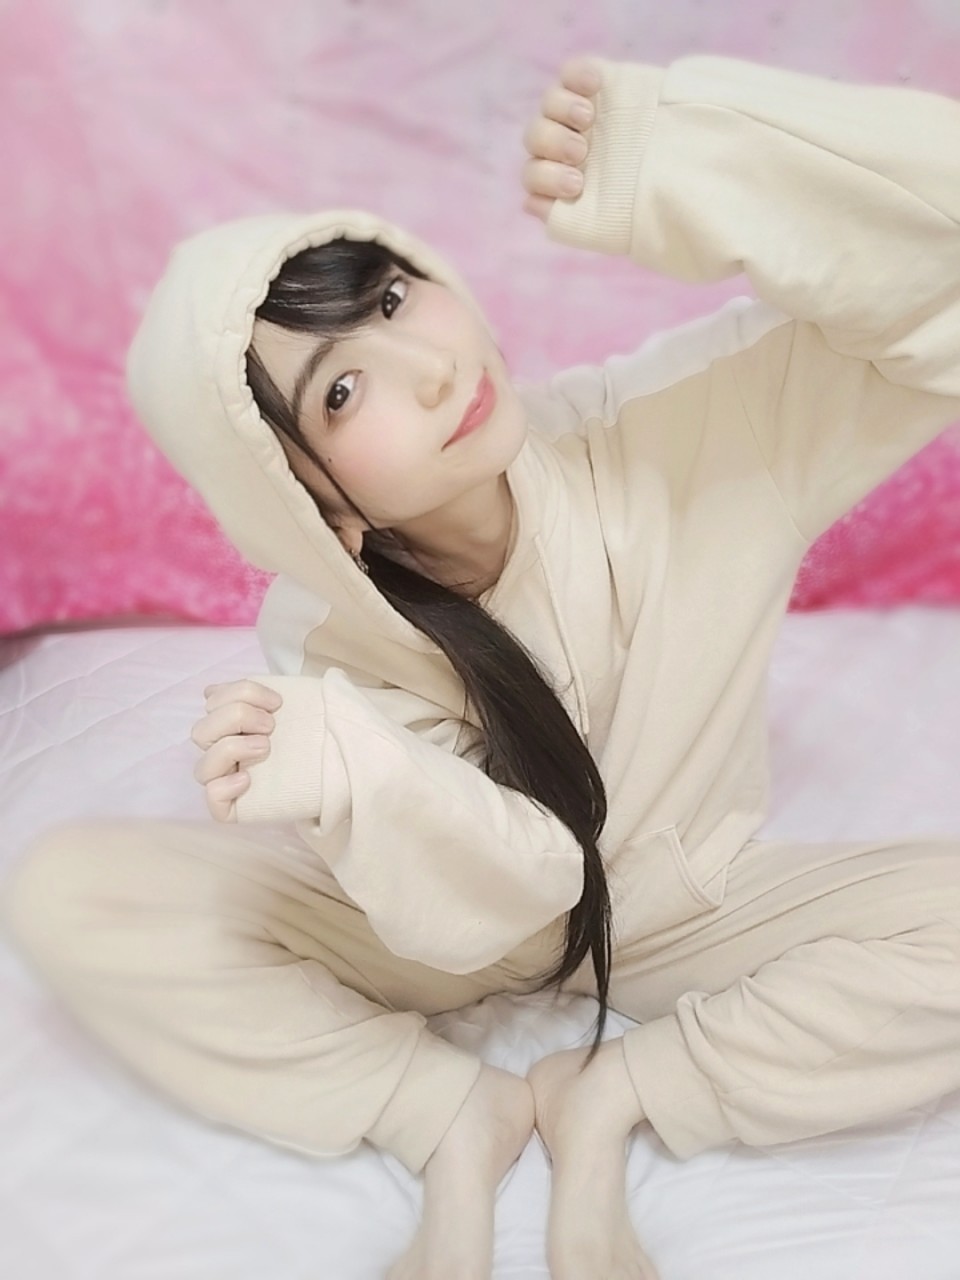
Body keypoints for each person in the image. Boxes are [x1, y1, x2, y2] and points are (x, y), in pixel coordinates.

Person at [3, 49, 960, 1280]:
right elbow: (512, 894)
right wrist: (351, 771)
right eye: (343, 390)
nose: (433, 367)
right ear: (315, 505)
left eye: (396, 299)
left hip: (687, 898)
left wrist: (696, 156)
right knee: (67, 890)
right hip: (439, 929)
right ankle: (450, 1112)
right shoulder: (331, 635)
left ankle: (609, 1092)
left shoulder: (681, 437)